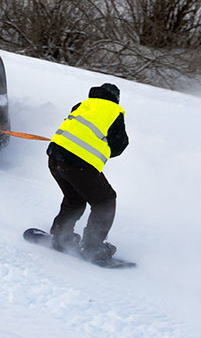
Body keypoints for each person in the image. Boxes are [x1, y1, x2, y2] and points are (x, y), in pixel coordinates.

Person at [46, 82, 128, 263]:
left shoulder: (83, 105)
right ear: (115, 98)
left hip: (54, 158)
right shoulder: (114, 111)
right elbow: (119, 144)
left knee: (75, 198)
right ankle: (93, 247)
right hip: (78, 164)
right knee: (105, 200)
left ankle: (61, 236)